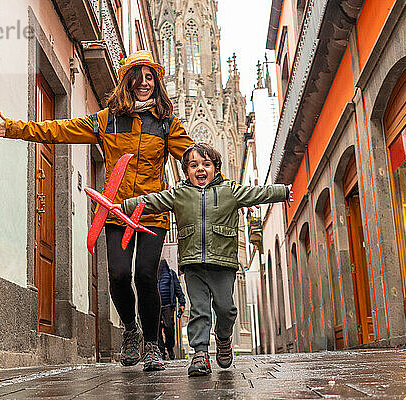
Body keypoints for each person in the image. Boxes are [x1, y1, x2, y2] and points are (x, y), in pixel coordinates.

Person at [0, 50, 194, 372]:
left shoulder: (167, 125)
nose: (144, 83)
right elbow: (61, 129)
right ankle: (131, 331)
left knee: (146, 276)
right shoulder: (107, 119)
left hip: (152, 212)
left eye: (150, 77)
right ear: (128, 81)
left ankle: (152, 344)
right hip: (116, 211)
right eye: (138, 76)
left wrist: (216, 181)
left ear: (156, 83)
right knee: (120, 277)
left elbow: (192, 157)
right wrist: (12, 128)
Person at [118, 143, 292, 376]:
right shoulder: (180, 193)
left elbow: (256, 194)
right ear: (186, 171)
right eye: (193, 165)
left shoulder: (230, 190)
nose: (200, 169)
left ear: (216, 168)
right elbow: (154, 201)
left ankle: (223, 339)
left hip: (223, 262)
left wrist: (282, 191)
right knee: (199, 310)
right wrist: (124, 206)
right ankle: (199, 353)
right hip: (193, 263)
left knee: (226, 308)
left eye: (206, 164)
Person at [157, 259, 186, 360]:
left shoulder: (171, 274)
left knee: (169, 327)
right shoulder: (152, 273)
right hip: (155, 305)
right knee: (157, 329)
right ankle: (161, 350)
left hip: (168, 305)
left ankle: (169, 347)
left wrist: (182, 303)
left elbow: (178, 288)